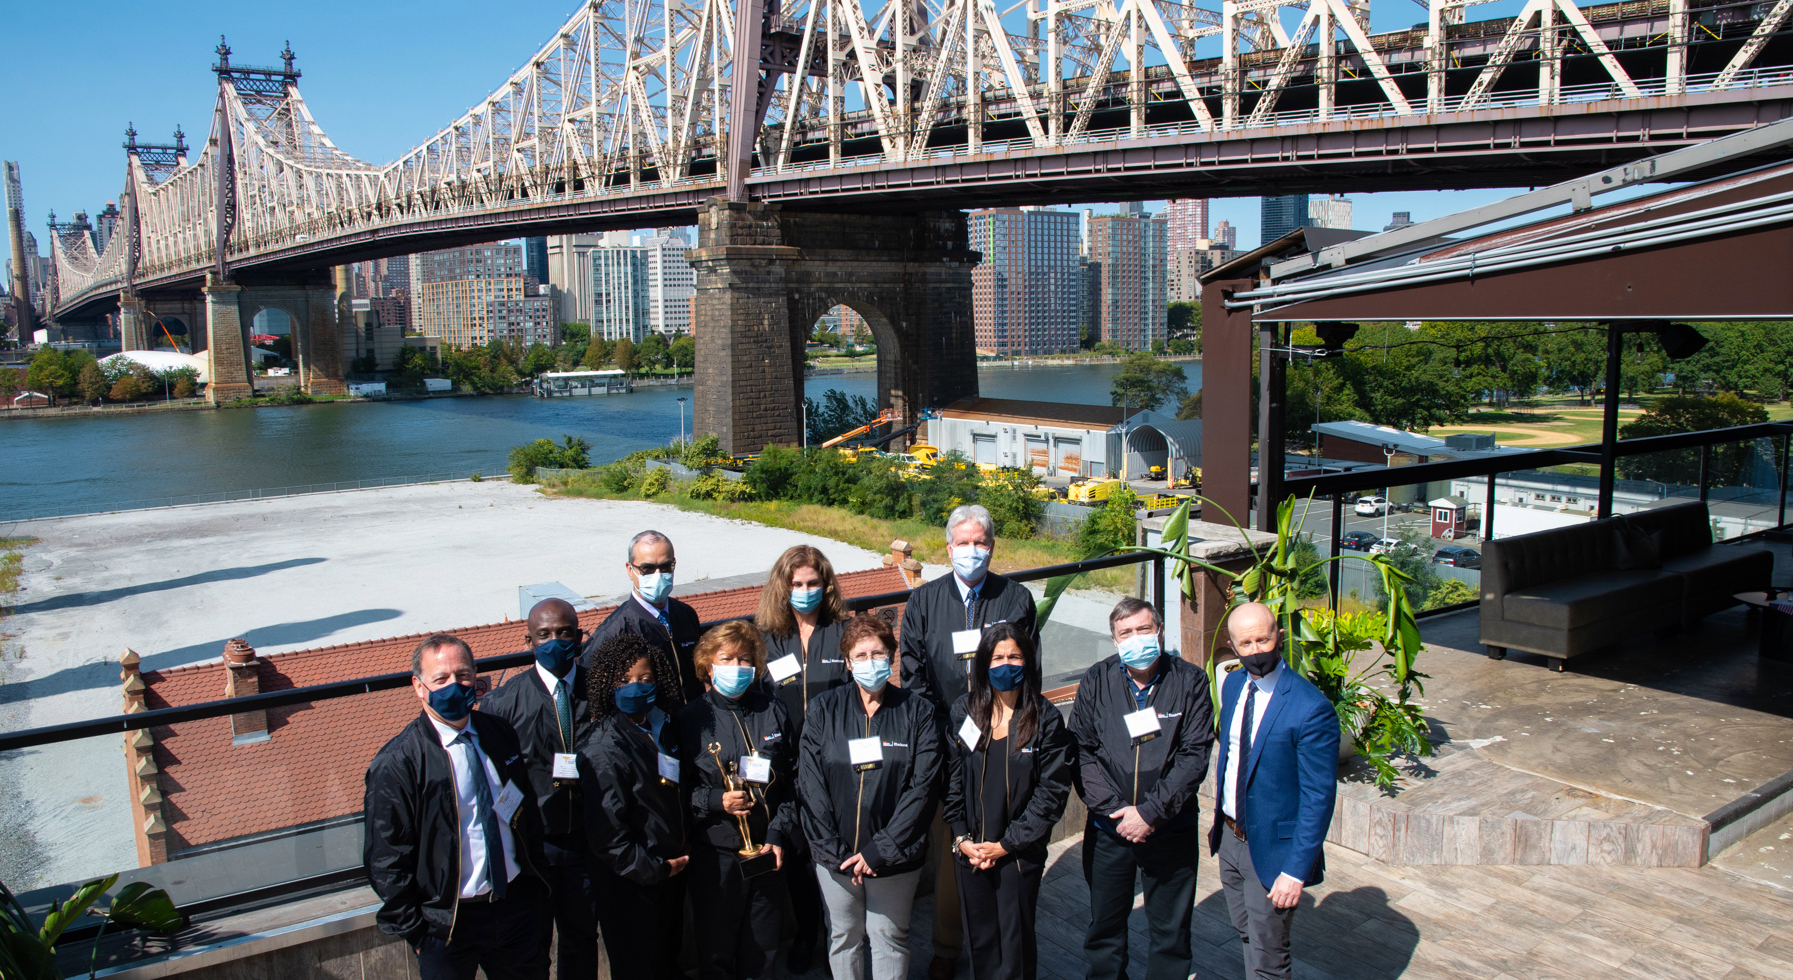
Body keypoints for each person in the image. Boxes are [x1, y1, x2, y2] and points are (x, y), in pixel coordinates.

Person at [898, 503, 1037, 980]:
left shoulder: (1015, 597)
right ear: (948, 547)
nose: (972, 551)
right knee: (952, 846)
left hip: (1001, 739)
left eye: (981, 543)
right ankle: (946, 944)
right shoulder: (924, 600)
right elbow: (914, 676)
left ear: (992, 546)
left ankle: (1000, 941)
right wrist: (941, 739)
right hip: (944, 743)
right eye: (963, 543)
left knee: (998, 838)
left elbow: (1023, 670)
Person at [364, 634, 549, 980]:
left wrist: (533, 888)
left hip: (514, 908)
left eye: (462, 675)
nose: (454, 685)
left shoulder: (498, 733)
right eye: (441, 679)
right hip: (446, 926)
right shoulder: (398, 763)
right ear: (419, 687)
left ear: (476, 675)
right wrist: (418, 932)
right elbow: (385, 858)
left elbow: (524, 810)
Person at [1071, 597, 1214, 980]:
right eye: (1126, 632)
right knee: (1105, 929)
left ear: (1160, 631)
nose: (1136, 638)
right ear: (1115, 640)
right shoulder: (1097, 680)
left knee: (1170, 932)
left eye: (1144, 629)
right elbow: (1081, 752)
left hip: (1171, 829)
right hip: (1109, 830)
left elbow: (1193, 757)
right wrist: (1117, 812)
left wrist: (1150, 813)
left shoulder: (1191, 681)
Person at [799, 613, 943, 980]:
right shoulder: (822, 710)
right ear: (847, 662)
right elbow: (810, 784)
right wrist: (835, 851)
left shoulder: (919, 712)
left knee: (889, 937)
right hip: (837, 858)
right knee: (843, 937)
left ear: (892, 656)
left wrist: (880, 850)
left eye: (878, 654)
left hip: (896, 858)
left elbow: (923, 789)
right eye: (860, 656)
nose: (870, 663)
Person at [1210, 602, 1340, 980]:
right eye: (1245, 643)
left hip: (1273, 852)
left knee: (1269, 956)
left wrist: (1296, 871)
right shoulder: (1234, 684)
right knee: (1247, 933)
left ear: (1279, 637)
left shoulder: (1311, 708)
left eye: (1262, 640)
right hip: (1231, 840)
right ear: (1233, 647)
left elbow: (1319, 797)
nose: (1255, 651)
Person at [942, 623, 1074, 980]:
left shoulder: (1045, 719)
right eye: (998, 657)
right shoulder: (965, 711)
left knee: (1014, 943)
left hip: (1018, 854)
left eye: (1014, 656)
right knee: (980, 940)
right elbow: (953, 779)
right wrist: (961, 839)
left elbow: (1051, 793)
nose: (1006, 664)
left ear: (1028, 661)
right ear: (984, 663)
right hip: (969, 851)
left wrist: (1005, 845)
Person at [480, 598, 597, 980]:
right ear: (528, 640)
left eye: (564, 633)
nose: (555, 641)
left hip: (588, 839)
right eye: (544, 635)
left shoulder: (600, 689)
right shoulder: (502, 704)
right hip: (535, 849)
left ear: (579, 637)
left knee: (581, 938)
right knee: (532, 945)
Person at [677, 621, 797, 980]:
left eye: (745, 659)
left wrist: (778, 835)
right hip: (717, 856)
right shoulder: (688, 720)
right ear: (708, 667)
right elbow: (680, 793)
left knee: (763, 948)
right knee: (716, 949)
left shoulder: (772, 710)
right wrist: (717, 800)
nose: (737, 667)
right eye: (726, 659)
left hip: (767, 850)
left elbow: (792, 781)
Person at [754, 543, 852, 972]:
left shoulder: (843, 631)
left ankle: (842, 938)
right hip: (786, 765)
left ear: (826, 585)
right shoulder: (766, 638)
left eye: (813, 583)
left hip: (835, 764)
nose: (806, 590)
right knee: (794, 856)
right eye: (797, 584)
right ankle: (807, 933)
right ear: (783, 586)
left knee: (834, 852)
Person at [578, 631, 689, 980]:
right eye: (624, 681)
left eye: (644, 678)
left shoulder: (661, 725)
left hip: (669, 870)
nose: (635, 687)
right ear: (607, 685)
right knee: (639, 963)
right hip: (634, 881)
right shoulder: (603, 748)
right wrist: (654, 869)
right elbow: (608, 836)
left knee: (667, 956)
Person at [585, 530, 703, 699]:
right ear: (630, 569)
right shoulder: (614, 630)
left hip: (693, 718)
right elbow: (592, 688)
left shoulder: (686, 614)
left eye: (665, 567)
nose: (658, 575)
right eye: (647, 568)